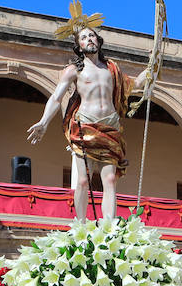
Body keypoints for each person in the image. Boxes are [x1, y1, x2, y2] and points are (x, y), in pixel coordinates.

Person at [27, 20, 155, 221]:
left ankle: (109, 227)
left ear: (99, 41)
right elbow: (56, 97)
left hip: (110, 128)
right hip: (84, 127)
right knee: (83, 182)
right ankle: (80, 224)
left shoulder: (112, 69)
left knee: (111, 180)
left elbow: (136, 85)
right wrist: (44, 121)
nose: (89, 40)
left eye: (92, 36)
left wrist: (151, 66)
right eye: (84, 38)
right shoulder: (74, 70)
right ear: (79, 46)